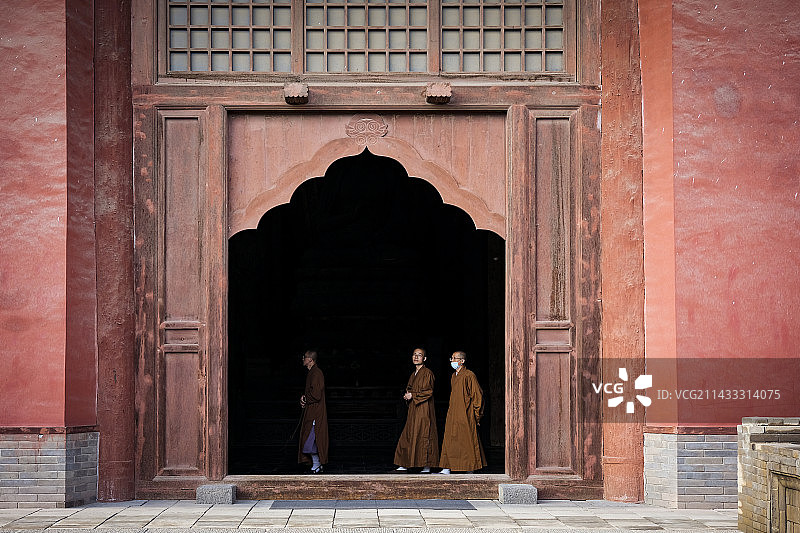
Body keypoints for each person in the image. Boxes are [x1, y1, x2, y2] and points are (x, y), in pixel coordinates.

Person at [438, 351, 486, 474]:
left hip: (466, 414)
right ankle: (447, 467)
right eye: (451, 358)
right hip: (453, 413)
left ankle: (470, 468)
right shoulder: (454, 376)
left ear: (462, 361)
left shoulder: (469, 375)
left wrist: (477, 415)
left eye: (455, 358)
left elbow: (477, 396)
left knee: (467, 441)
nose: (452, 361)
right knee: (450, 439)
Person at [393, 348, 439, 473]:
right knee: (408, 435)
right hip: (413, 409)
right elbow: (409, 388)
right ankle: (404, 462)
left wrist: (412, 395)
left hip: (424, 410)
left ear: (425, 358)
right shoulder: (413, 374)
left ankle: (426, 466)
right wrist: (407, 395)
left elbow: (429, 391)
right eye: (414, 355)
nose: (416, 357)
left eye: (419, 355)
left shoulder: (427, 373)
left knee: (424, 435)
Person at [298, 350, 328, 473]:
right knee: (310, 439)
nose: (302, 359)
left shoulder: (317, 373)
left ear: (310, 359)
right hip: (311, 411)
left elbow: (316, 395)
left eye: (304, 357)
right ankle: (317, 464)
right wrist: (304, 398)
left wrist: (306, 398)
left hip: (316, 413)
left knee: (311, 439)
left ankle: (317, 464)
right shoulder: (312, 373)